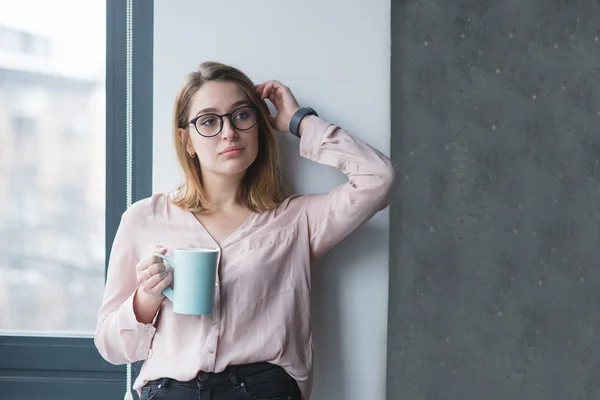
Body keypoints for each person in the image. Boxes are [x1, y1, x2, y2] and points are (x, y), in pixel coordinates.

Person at [94, 61, 395, 400]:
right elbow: (111, 346)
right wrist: (146, 299)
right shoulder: (144, 218)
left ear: (259, 126)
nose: (229, 132)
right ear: (187, 140)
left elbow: (379, 179)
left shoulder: (297, 219)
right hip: (168, 391)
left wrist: (300, 122)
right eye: (209, 121)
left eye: (241, 115)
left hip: (262, 390)